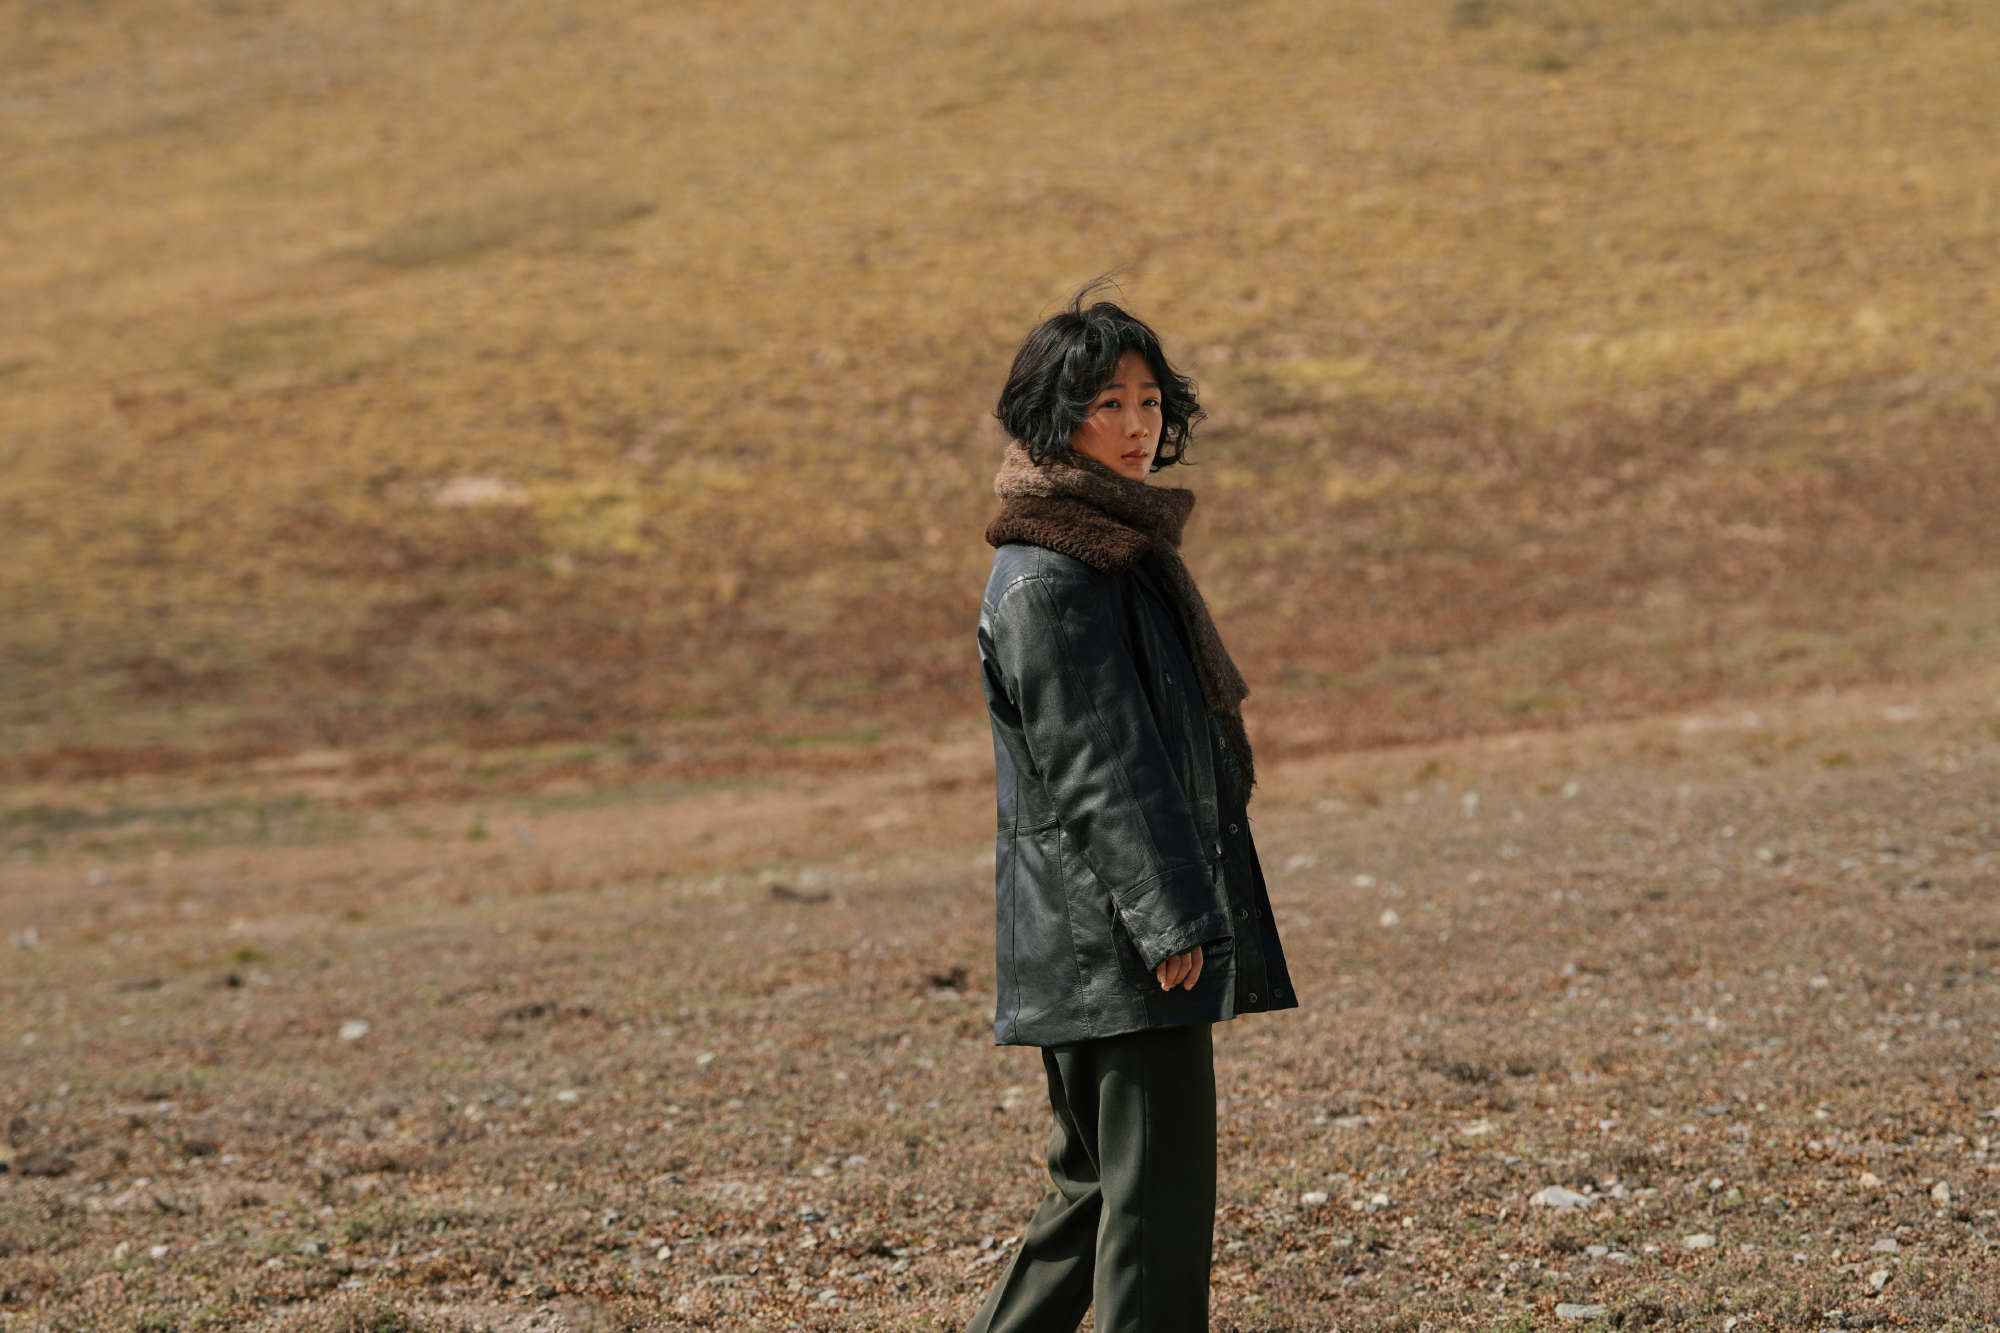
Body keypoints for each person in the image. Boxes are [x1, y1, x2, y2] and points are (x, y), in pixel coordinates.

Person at [967, 287, 1297, 1333]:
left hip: (1094, 935)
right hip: (1119, 942)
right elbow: (1100, 766)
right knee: (1154, 1209)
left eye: (1149, 400)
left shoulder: (1106, 555)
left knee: (1090, 1200)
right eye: (1105, 402)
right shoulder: (1055, 578)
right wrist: (1169, 917)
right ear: (1052, 416)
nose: (1135, 423)